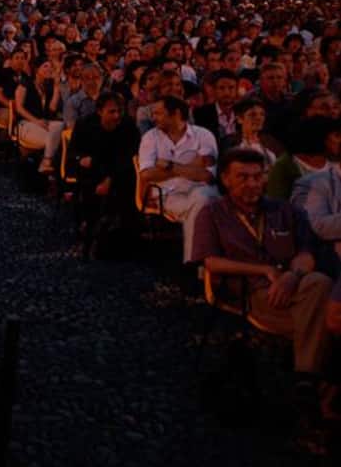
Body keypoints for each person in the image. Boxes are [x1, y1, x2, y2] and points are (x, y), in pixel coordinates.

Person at [193, 149, 333, 411]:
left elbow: (305, 253)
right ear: (225, 179)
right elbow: (210, 261)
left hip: (295, 290)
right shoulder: (212, 213)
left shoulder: (285, 211)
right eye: (243, 177)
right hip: (250, 293)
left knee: (319, 283)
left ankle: (307, 378)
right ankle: (314, 381)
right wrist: (264, 271)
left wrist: (292, 275)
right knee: (327, 316)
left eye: (257, 177)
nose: (252, 184)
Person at [138, 95, 219, 263]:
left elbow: (208, 176)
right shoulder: (150, 138)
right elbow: (146, 174)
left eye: (158, 113)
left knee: (202, 200)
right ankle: (201, 262)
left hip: (200, 189)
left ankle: (194, 261)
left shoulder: (203, 135)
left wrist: (169, 166)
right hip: (167, 194)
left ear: (175, 114)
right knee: (202, 208)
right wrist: (191, 166)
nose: (154, 118)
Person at [64, 92, 142, 255]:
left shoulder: (128, 126)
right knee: (87, 186)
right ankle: (88, 231)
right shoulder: (85, 124)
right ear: (100, 111)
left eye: (119, 111)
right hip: (93, 169)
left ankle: (116, 235)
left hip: (119, 171)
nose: (116, 116)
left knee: (127, 182)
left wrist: (110, 179)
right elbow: (73, 152)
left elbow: (130, 156)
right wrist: (81, 158)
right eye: (112, 112)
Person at [14, 59, 64, 175]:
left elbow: (52, 109)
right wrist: (36, 121)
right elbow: (19, 108)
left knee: (60, 125)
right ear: (37, 69)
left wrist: (56, 87)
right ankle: (45, 164)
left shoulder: (49, 86)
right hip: (26, 122)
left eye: (51, 67)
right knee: (55, 140)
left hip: (44, 122)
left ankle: (46, 163)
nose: (49, 69)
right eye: (45, 66)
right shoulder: (25, 84)